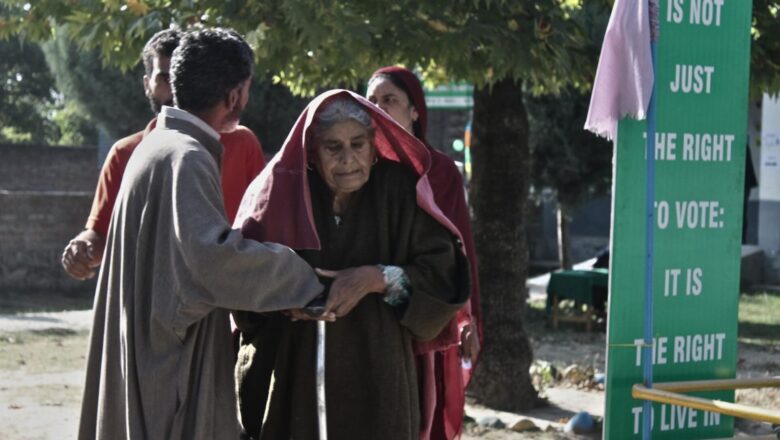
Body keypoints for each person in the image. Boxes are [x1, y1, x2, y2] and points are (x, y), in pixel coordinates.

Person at [77, 28, 323, 440]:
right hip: (167, 368)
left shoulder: (158, 146)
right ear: (235, 96)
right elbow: (214, 264)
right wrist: (307, 277)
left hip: (145, 355)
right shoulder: (186, 156)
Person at [232, 90, 471, 439]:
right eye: (333, 147)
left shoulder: (400, 191)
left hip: (378, 375)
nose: (348, 159)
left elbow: (442, 276)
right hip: (291, 379)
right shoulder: (281, 189)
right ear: (312, 152)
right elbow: (241, 277)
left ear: (374, 148)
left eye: (358, 145)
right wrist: (288, 294)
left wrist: (377, 278)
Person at [61, 28, 265, 281]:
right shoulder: (126, 153)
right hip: (159, 298)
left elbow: (261, 227)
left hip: (224, 294)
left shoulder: (242, 143)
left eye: (181, 77)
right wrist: (83, 248)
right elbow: (102, 235)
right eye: (165, 78)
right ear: (147, 85)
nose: (173, 90)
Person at [367, 66, 483, 440]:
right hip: (371, 312)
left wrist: (468, 320)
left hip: (428, 310)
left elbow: (460, 250)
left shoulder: (440, 171)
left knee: (424, 413)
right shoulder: (358, 168)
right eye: (371, 101)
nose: (379, 108)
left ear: (415, 109)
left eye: (390, 100)